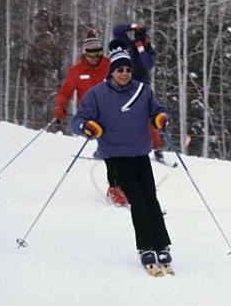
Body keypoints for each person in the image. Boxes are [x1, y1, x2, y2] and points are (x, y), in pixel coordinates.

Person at [71, 45, 174, 275]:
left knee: (150, 197)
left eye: (128, 69)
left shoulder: (142, 91)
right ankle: (146, 247)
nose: (124, 73)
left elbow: (158, 110)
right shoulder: (98, 94)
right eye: (120, 70)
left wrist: (161, 118)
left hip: (140, 153)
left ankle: (162, 244)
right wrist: (88, 126)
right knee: (137, 198)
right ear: (112, 72)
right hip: (116, 155)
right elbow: (77, 121)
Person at [54, 30, 126, 205]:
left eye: (98, 53)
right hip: (90, 115)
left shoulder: (110, 65)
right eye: (91, 54)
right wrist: (60, 106)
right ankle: (115, 187)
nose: (95, 58)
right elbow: (66, 91)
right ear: (84, 53)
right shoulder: (76, 71)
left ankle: (125, 186)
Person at [111, 21, 165, 162]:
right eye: (142, 36)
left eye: (147, 37)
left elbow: (147, 64)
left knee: (148, 117)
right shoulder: (128, 45)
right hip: (124, 84)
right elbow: (117, 30)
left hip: (141, 87)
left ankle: (158, 149)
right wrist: (132, 26)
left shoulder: (150, 52)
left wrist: (141, 48)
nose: (145, 39)